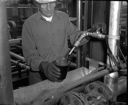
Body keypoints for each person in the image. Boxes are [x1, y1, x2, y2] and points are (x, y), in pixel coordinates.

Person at [22, 0, 89, 84]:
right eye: (44, 4)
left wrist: (89, 34)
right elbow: (29, 55)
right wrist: (43, 66)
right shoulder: (29, 24)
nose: (49, 7)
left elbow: (75, 35)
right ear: (38, 4)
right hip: (39, 77)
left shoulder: (63, 17)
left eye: (52, 3)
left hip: (62, 71)